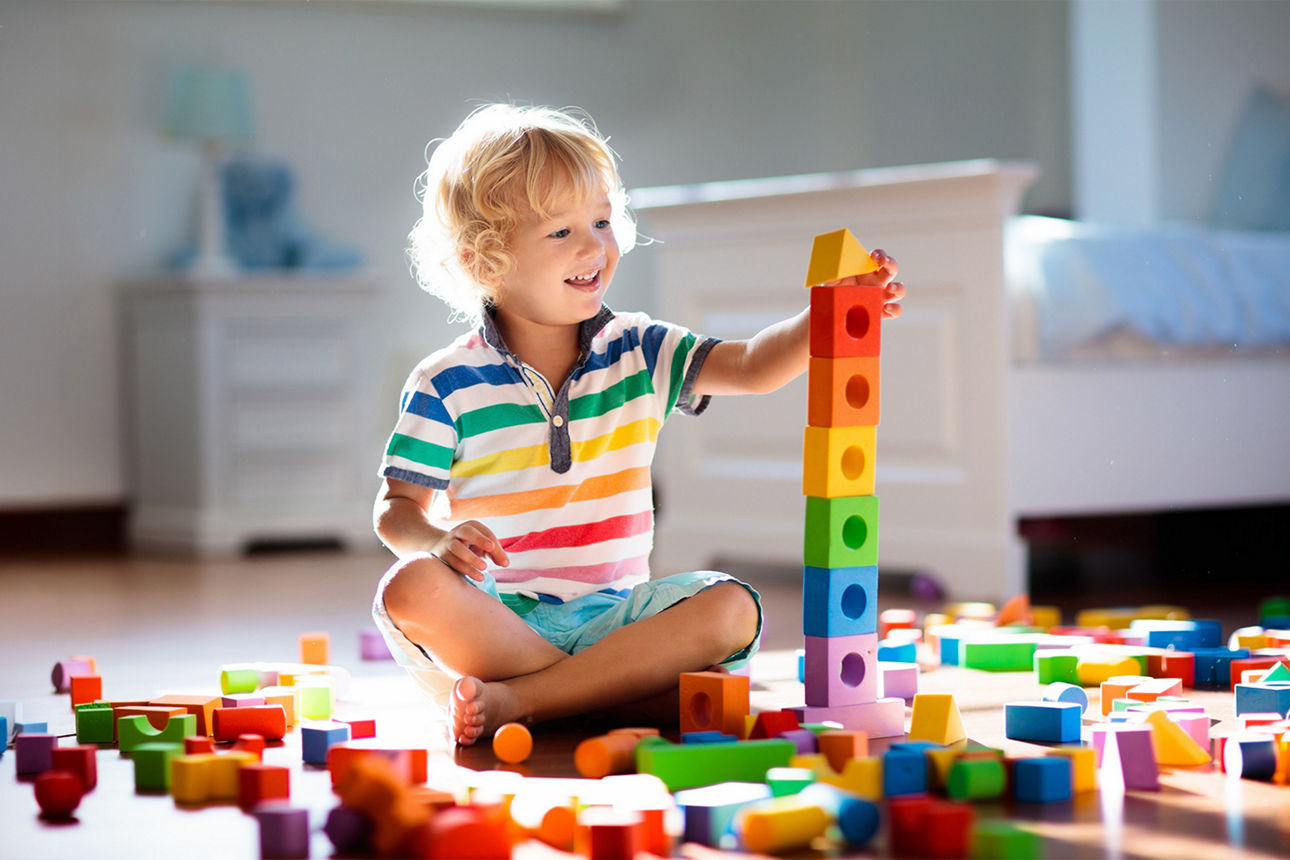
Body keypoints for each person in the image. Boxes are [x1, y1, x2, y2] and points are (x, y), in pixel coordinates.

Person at [371, 103, 904, 746]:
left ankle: (533, 700)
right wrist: (433, 542)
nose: (595, 246)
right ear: (486, 260)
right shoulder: (443, 382)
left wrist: (830, 315)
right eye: (561, 233)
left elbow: (753, 366)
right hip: (499, 622)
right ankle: (606, 692)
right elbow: (396, 510)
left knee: (732, 606)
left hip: (619, 617)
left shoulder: (641, 350)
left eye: (601, 220)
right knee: (408, 587)